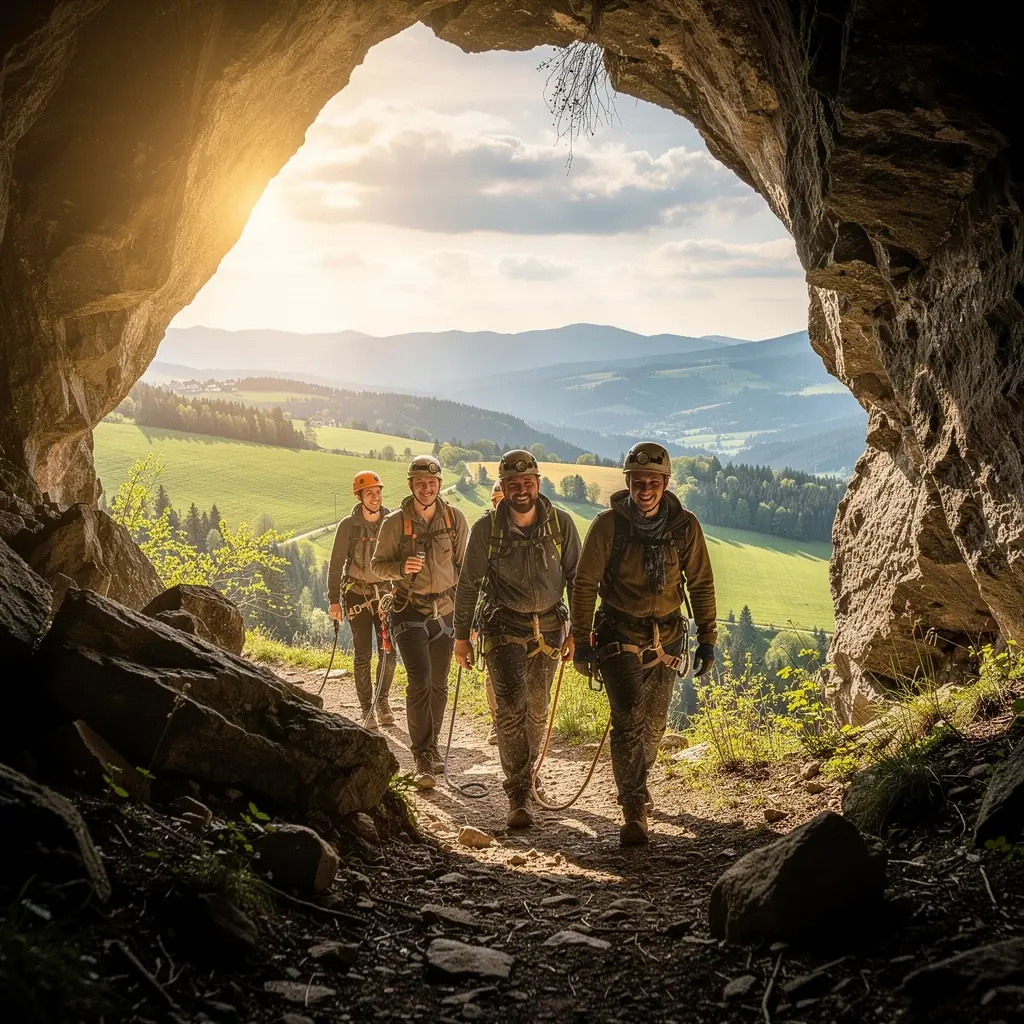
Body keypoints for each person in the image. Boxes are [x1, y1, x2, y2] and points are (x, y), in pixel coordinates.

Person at [571, 442, 717, 846]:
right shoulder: (608, 526)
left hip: (668, 637)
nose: (645, 489)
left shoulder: (684, 527)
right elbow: (584, 584)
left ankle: (638, 782)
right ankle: (633, 808)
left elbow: (701, 582)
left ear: (666, 483)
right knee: (628, 718)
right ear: (629, 483)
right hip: (618, 635)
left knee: (654, 724)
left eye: (652, 481)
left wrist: (708, 638)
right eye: (637, 481)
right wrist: (582, 641)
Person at [453, 450, 581, 828]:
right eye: (513, 484)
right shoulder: (486, 529)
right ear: (504, 487)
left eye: (528, 483)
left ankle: (526, 774)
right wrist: (461, 637)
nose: (521, 490)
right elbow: (468, 586)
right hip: (502, 626)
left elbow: (577, 580)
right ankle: (519, 794)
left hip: (551, 628)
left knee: (538, 709)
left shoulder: (561, 524)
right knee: (511, 708)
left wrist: (578, 630)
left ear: (538, 484)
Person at [371, 455, 469, 789]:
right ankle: (422, 754)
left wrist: (467, 616)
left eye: (432, 483)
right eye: (420, 483)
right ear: (411, 485)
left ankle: (432, 746)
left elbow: (464, 568)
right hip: (408, 610)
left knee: (439, 684)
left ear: (439, 485)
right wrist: (401, 569)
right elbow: (376, 567)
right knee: (420, 679)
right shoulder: (395, 523)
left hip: (446, 611)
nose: (426, 488)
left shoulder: (455, 520)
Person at [327, 471, 396, 730]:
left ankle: (383, 701)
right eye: (369, 493)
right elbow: (336, 565)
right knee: (363, 654)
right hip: (357, 594)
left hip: (386, 595)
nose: (375, 497)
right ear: (360, 496)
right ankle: (367, 708)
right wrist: (334, 600)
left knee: (388, 652)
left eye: (378, 492)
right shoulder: (348, 526)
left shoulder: (392, 521)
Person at [482, 479, 504, 745]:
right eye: (498, 501)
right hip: (493, 610)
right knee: (493, 671)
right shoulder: (485, 532)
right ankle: (498, 721)